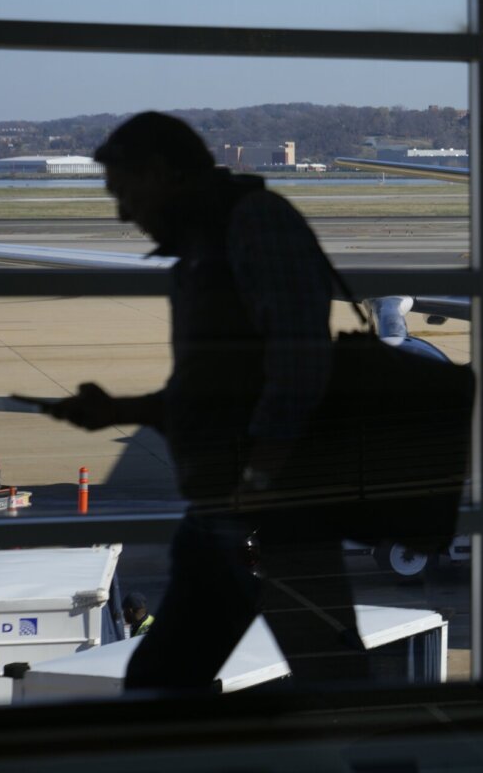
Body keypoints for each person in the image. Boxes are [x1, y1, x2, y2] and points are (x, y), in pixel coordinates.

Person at [31, 112, 368, 692]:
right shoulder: (208, 243)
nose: (122, 213)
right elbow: (216, 390)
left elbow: (301, 370)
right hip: (228, 510)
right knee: (177, 679)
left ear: (160, 173)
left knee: (326, 688)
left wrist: (260, 482)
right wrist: (120, 411)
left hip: (271, 515)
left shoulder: (255, 227)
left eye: (125, 192)